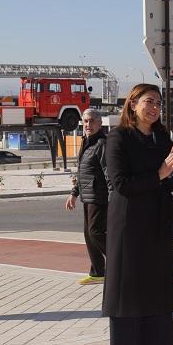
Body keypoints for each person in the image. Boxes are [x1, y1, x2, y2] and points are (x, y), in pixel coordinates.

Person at [103, 83, 173, 345]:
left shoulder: (162, 136)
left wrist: (172, 172)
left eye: (159, 103)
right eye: (149, 102)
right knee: (131, 289)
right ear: (133, 104)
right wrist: (160, 173)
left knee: (159, 285)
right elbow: (120, 184)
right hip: (129, 223)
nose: (155, 108)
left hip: (158, 220)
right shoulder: (118, 138)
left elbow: (171, 182)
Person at [65, 109, 110, 285]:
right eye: (85, 122)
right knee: (88, 234)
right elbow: (83, 172)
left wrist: (112, 195)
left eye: (91, 121)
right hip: (87, 195)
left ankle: (121, 263)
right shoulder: (86, 143)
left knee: (95, 232)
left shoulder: (102, 144)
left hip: (99, 196)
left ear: (99, 124)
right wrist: (74, 193)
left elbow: (108, 172)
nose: (88, 125)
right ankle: (98, 272)